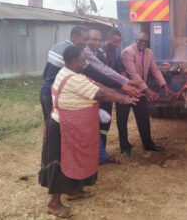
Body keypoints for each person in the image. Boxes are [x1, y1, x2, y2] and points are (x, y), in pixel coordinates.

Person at [39, 45, 138, 218]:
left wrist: (120, 89)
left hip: (72, 126)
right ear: (73, 61)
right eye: (83, 60)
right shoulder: (73, 79)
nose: (85, 63)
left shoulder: (71, 73)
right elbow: (100, 93)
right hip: (63, 128)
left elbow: (96, 84)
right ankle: (54, 204)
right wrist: (123, 99)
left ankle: (73, 191)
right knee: (63, 164)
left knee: (76, 159)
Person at [40, 26, 134, 165]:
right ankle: (60, 164)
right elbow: (95, 75)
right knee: (60, 134)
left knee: (69, 131)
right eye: (85, 40)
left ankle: (95, 157)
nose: (87, 43)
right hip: (55, 96)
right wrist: (122, 91)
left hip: (54, 93)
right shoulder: (74, 55)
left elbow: (46, 72)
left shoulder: (57, 47)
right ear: (74, 38)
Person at [85, 29, 142, 156]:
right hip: (97, 92)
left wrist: (127, 84)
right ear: (108, 39)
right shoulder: (97, 53)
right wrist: (123, 86)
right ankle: (96, 154)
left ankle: (102, 152)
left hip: (109, 93)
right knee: (95, 124)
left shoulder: (116, 54)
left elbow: (118, 71)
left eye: (119, 42)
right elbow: (101, 72)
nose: (116, 44)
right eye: (114, 41)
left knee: (106, 122)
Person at [117, 31, 174, 156]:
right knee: (122, 120)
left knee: (143, 118)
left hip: (140, 91)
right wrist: (147, 90)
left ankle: (148, 144)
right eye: (140, 40)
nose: (143, 43)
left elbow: (155, 70)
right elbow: (133, 74)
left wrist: (164, 86)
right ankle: (125, 148)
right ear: (135, 40)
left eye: (145, 41)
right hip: (126, 91)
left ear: (148, 42)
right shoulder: (128, 52)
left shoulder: (149, 52)